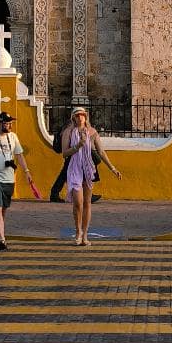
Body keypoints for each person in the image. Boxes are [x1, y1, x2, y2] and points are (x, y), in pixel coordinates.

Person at [63, 106, 121, 247]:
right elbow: (65, 153)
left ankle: (85, 234)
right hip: (75, 169)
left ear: (86, 116)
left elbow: (101, 152)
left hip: (88, 169)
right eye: (77, 115)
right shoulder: (69, 132)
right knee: (78, 203)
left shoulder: (92, 132)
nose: (80, 117)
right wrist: (78, 145)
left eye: (82, 115)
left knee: (87, 203)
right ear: (73, 118)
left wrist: (113, 168)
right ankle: (78, 232)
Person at [0, 110, 36, 250]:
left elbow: (19, 155)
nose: (9, 126)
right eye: (7, 123)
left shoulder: (13, 137)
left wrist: (27, 171)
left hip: (9, 178)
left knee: (4, 208)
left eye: (10, 123)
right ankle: (2, 239)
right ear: (0, 123)